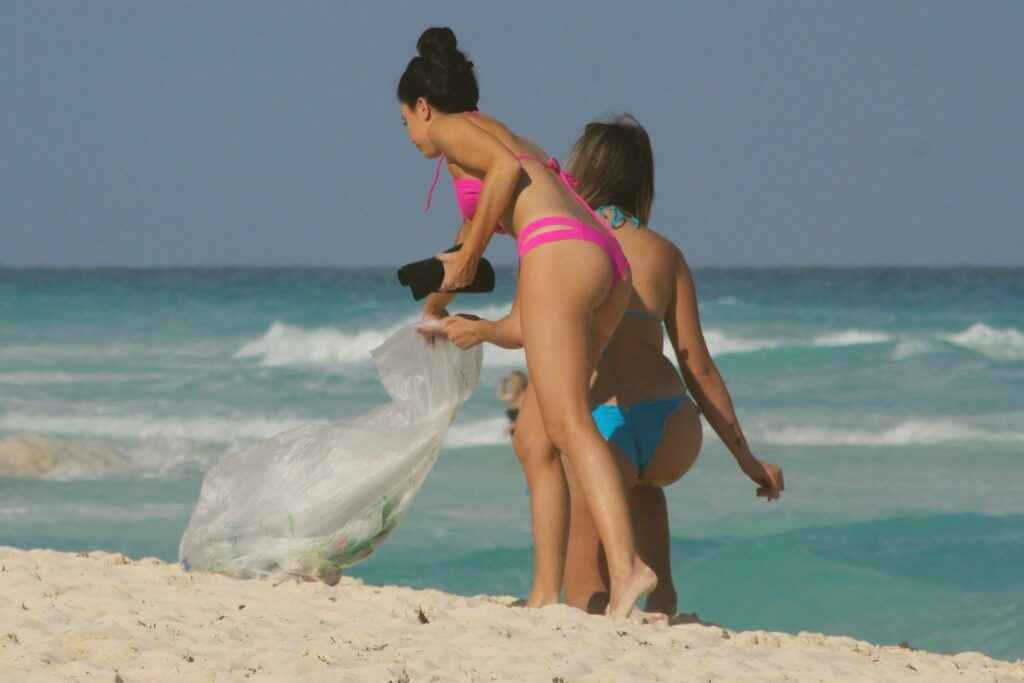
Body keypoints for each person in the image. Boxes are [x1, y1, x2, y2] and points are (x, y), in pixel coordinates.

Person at [440, 114, 785, 617]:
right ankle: (662, 615)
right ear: (642, 182)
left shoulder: (564, 239)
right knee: (650, 517)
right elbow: (698, 365)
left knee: (585, 593)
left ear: (582, 170)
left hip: (605, 423)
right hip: (672, 426)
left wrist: (481, 329)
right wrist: (748, 460)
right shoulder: (666, 255)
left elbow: (523, 328)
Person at [398, 27, 654, 617]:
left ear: (423, 107)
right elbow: (464, 257)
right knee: (535, 436)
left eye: (406, 122)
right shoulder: (486, 135)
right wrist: (435, 311)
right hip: (602, 258)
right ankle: (545, 595)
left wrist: (468, 255)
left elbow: (508, 175)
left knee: (567, 425)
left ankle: (628, 569)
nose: (410, 136)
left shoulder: (457, 129)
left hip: (561, 251)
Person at [498, 370, 529, 436]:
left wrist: (514, 425)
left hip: (524, 432)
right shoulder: (515, 396)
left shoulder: (525, 396)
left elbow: (528, 416)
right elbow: (502, 396)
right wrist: (503, 384)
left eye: (512, 381)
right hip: (516, 433)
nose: (511, 383)